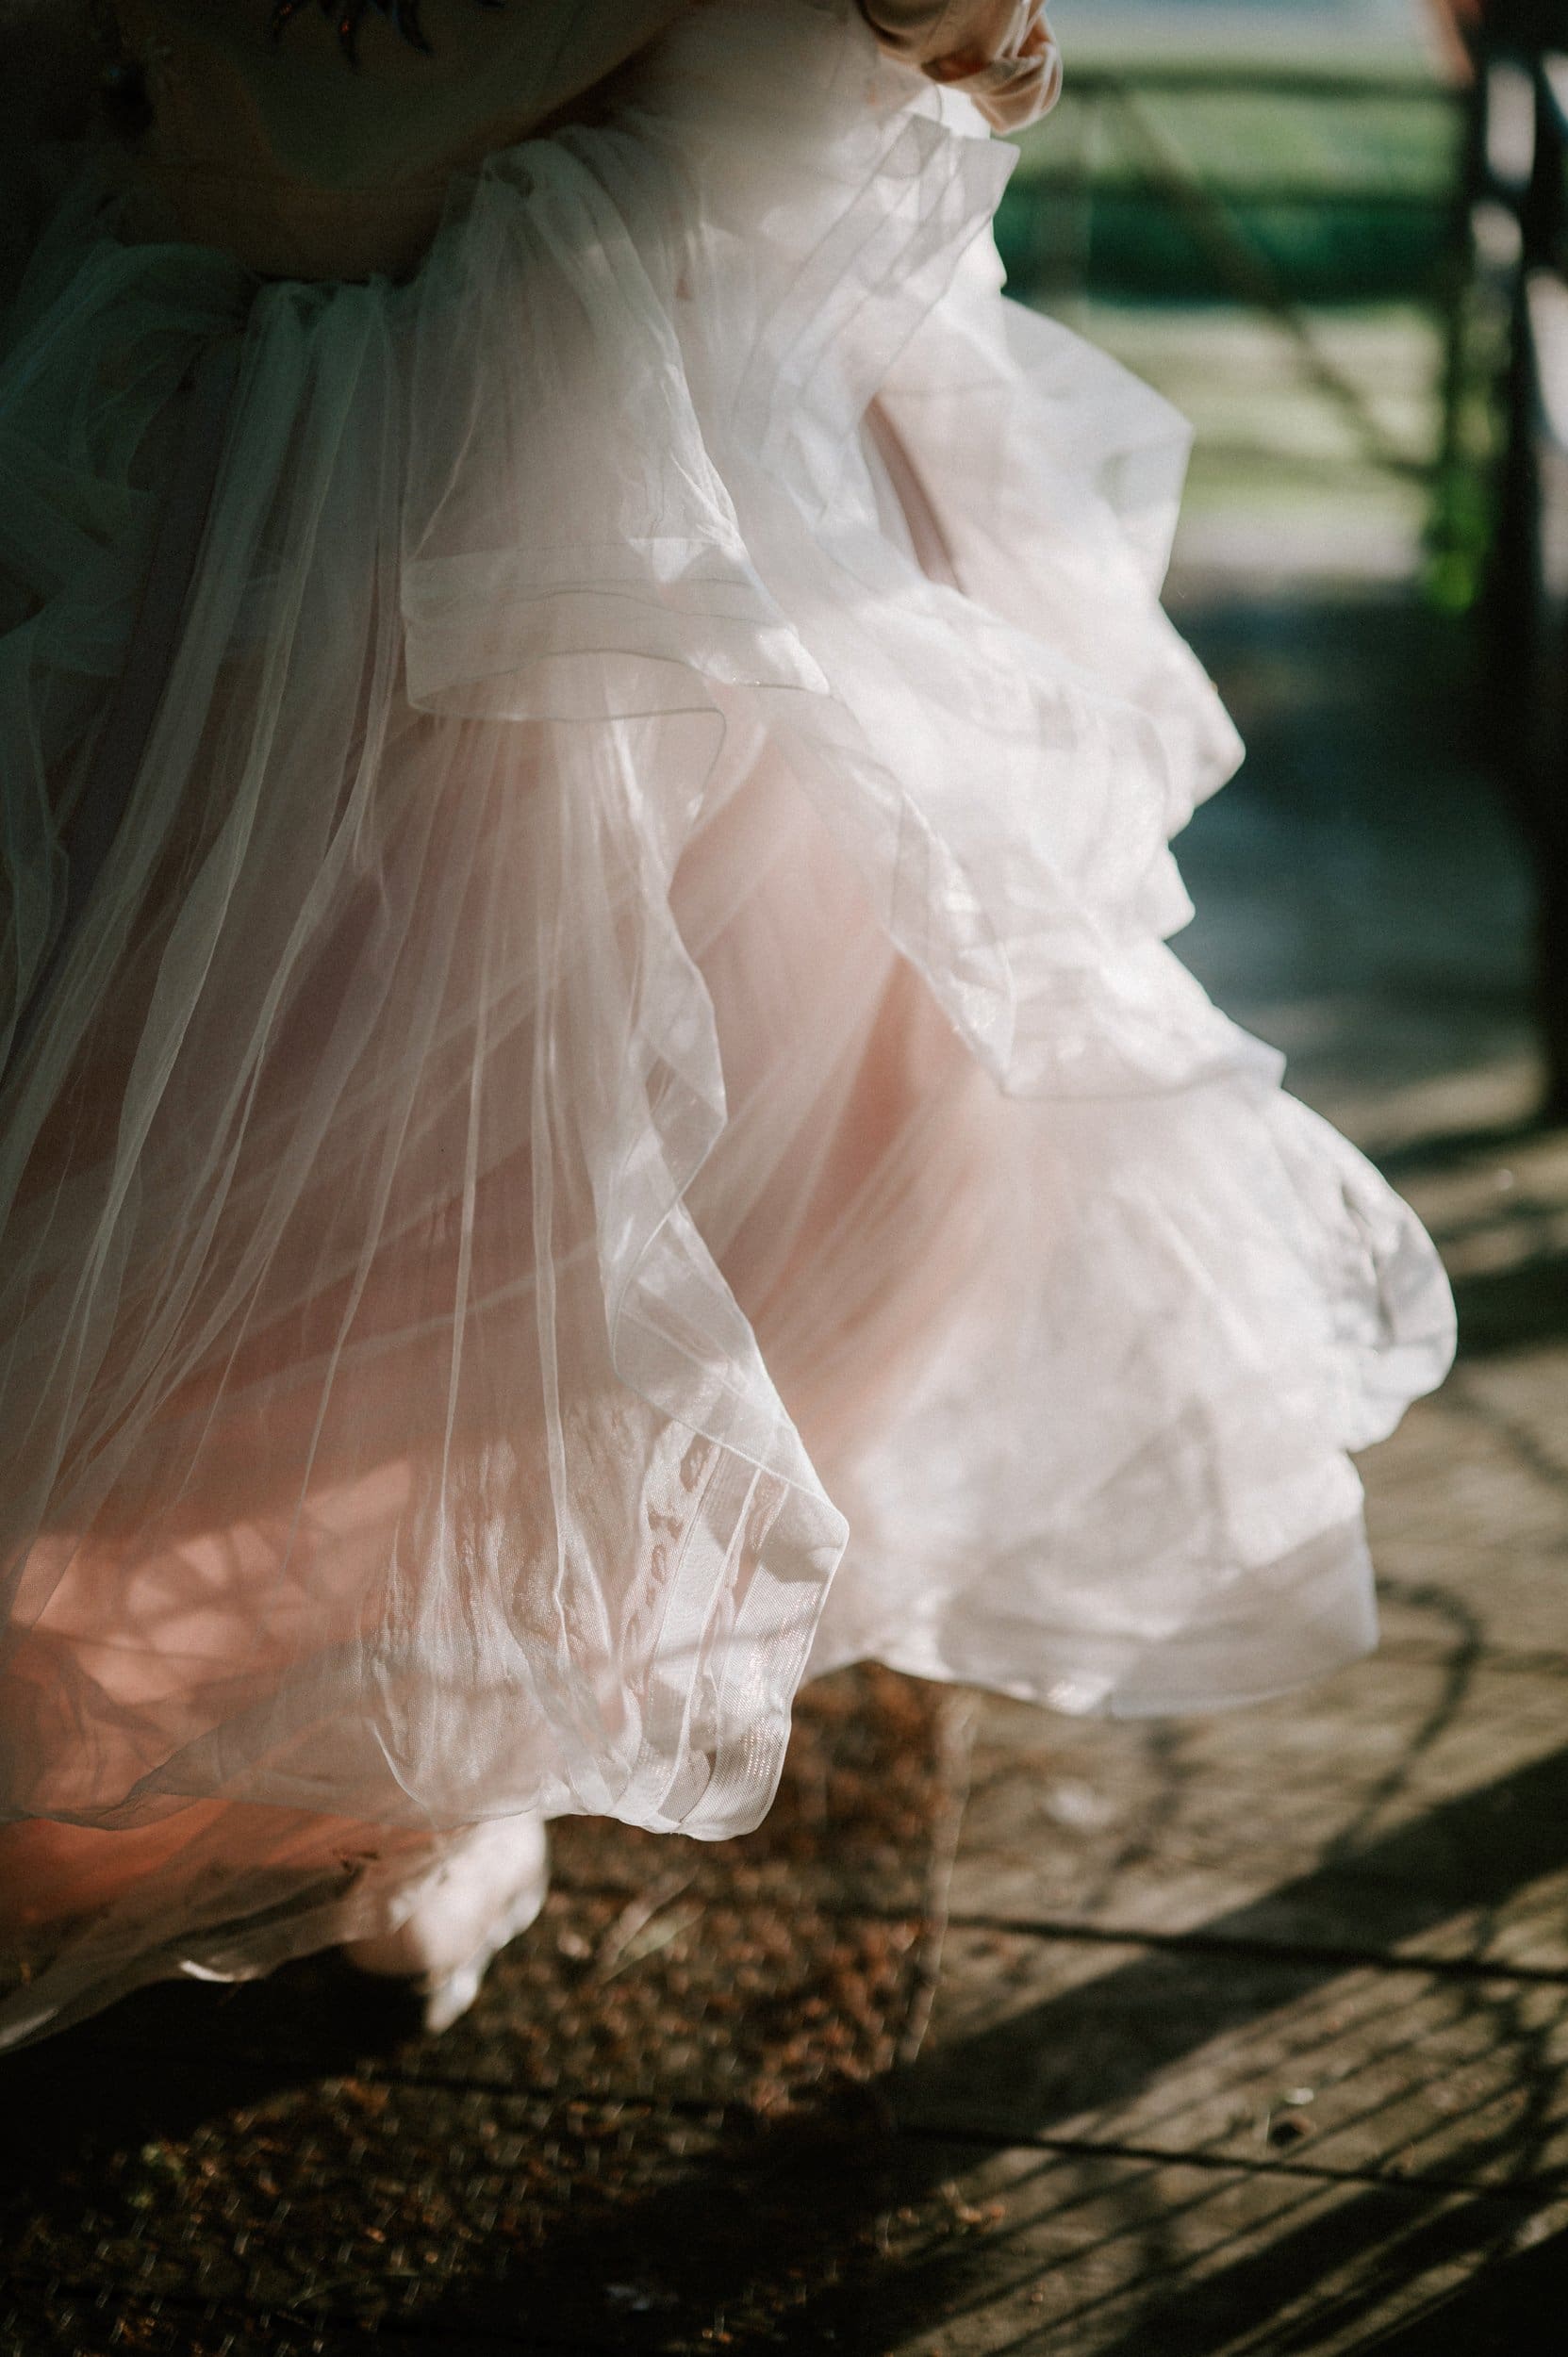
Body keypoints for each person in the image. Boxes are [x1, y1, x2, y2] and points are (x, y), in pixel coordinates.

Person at [0, 0, 1455, 2045]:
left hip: (559, 393)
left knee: (560, 1147)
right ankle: (328, 1763)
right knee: (340, 1145)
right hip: (377, 363)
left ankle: (379, 1759)